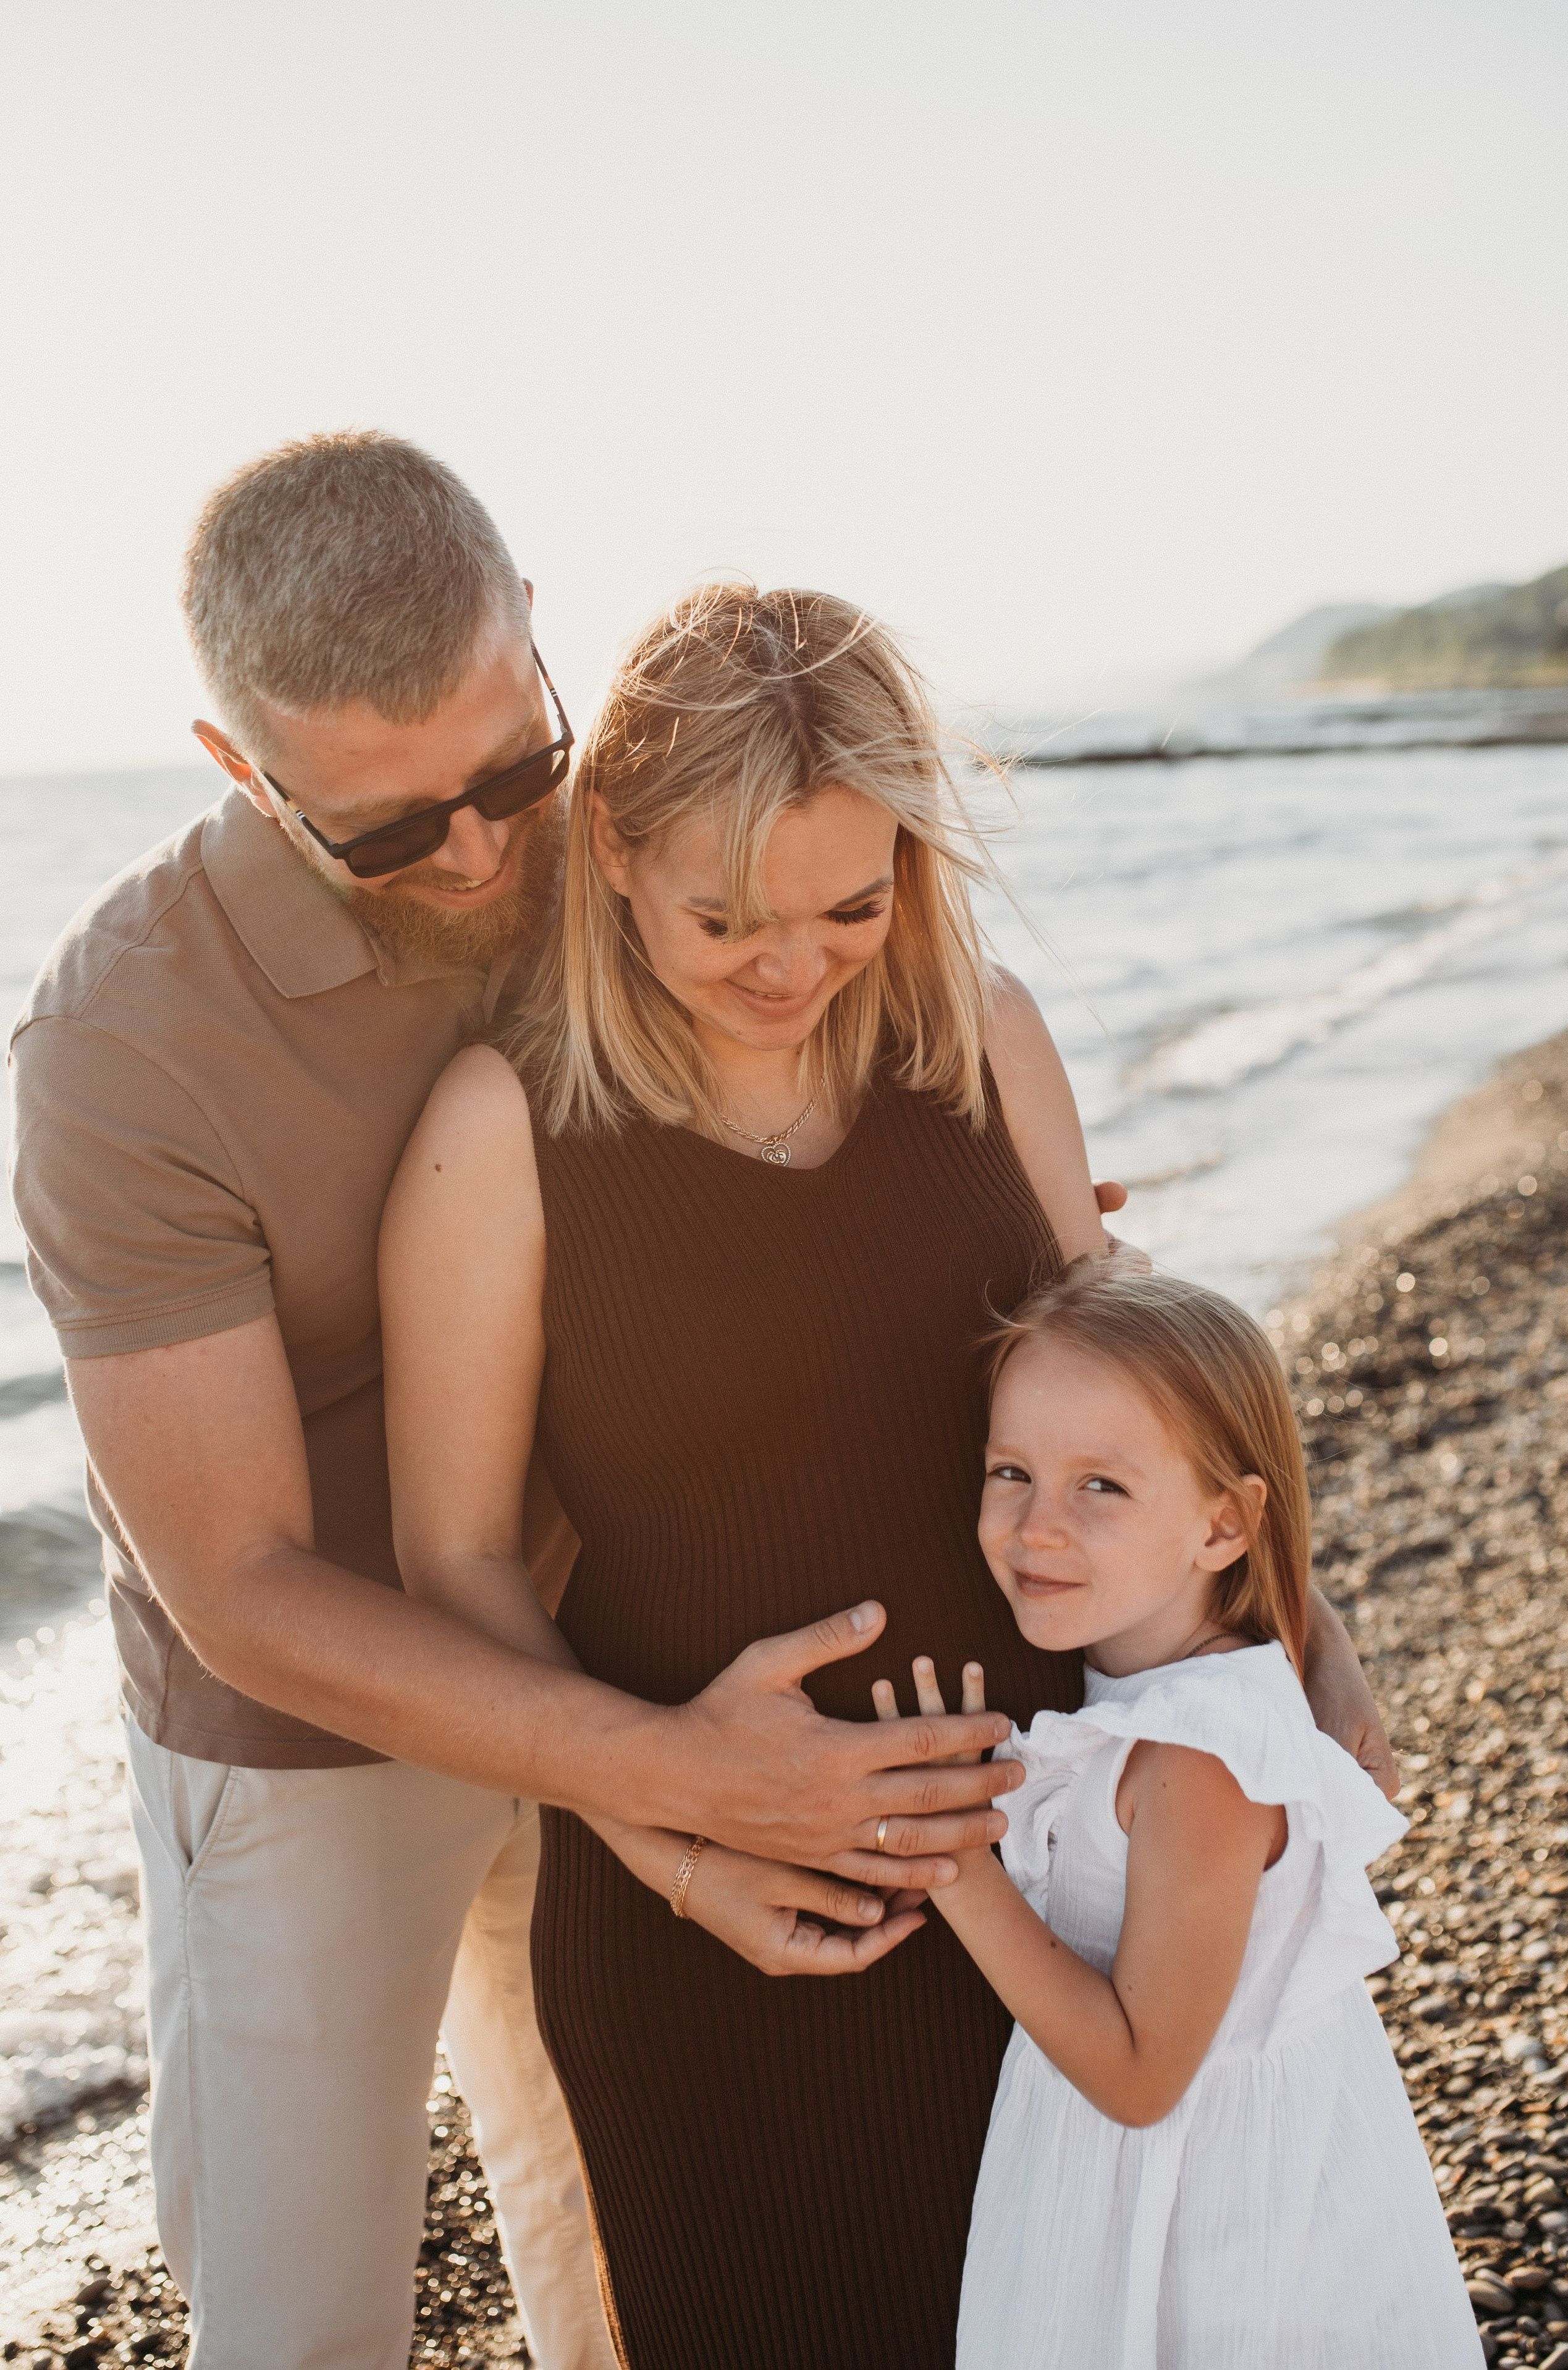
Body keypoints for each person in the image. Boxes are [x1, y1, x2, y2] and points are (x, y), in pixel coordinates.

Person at [7, 438, 1021, 2370]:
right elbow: (240, 1578)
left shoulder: (627, 839)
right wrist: (659, 1787)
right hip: (304, 1740)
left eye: (506, 776)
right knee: (305, 2315)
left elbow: (816, 1034)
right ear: (243, 768)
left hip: (639, 1631)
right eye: (387, 833)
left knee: (618, 2241)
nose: (480, 858)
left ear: (539, 648)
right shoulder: (120, 1042)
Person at [378, 582, 1400, 2369]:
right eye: (725, 918)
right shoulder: (499, 1129)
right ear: (611, 849)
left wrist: (1305, 1633)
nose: (792, 962)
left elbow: (1143, 1408)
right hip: (724, 1955)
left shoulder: (981, 1037)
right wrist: (681, 1837)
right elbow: (453, 1560)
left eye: (853, 905)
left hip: (1057, 1887)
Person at [901, 1262, 1480, 2366]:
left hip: (1223, 2246)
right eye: (1011, 1471)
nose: (1037, 1528)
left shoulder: (1203, 1759)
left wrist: (959, 1873)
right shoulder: (1142, 1693)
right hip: (1161, 2198)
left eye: (1101, 1488)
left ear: (1224, 1527)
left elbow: (1140, 2073)